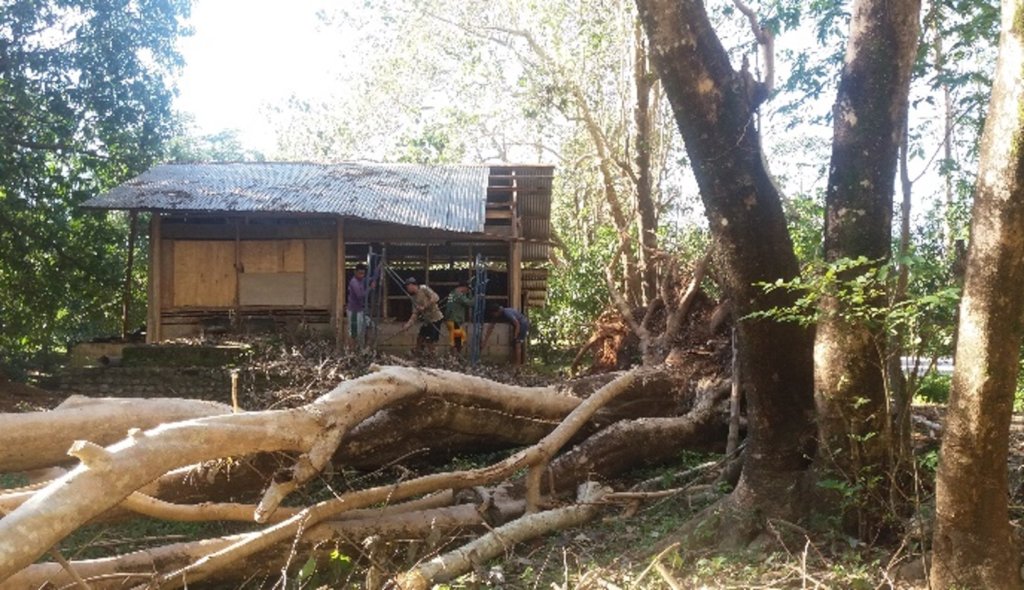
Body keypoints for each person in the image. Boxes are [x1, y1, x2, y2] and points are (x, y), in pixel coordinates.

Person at [403, 277, 443, 355]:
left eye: (408, 287)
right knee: (420, 337)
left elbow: (435, 297)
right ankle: (418, 353)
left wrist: (425, 306)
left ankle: (433, 356)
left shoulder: (423, 288)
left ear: (412, 285)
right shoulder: (414, 298)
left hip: (435, 318)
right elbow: (415, 313)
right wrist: (408, 324)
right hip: (427, 320)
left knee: (430, 340)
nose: (407, 289)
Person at [346, 262, 376, 347]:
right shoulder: (354, 282)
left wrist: (378, 269)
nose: (361, 275)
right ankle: (351, 352)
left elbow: (370, 279)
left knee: (370, 326)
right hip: (354, 312)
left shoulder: (361, 279)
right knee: (354, 333)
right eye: (360, 273)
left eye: (363, 273)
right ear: (355, 272)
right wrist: (370, 288)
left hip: (361, 311)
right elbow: (360, 295)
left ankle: (364, 348)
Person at [444, 281, 473, 354]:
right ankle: (453, 358)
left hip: (450, 319)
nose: (467, 291)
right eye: (467, 289)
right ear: (464, 287)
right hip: (455, 320)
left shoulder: (452, 293)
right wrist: (473, 296)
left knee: (456, 340)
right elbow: (470, 303)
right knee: (460, 340)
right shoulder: (459, 295)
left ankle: (453, 358)